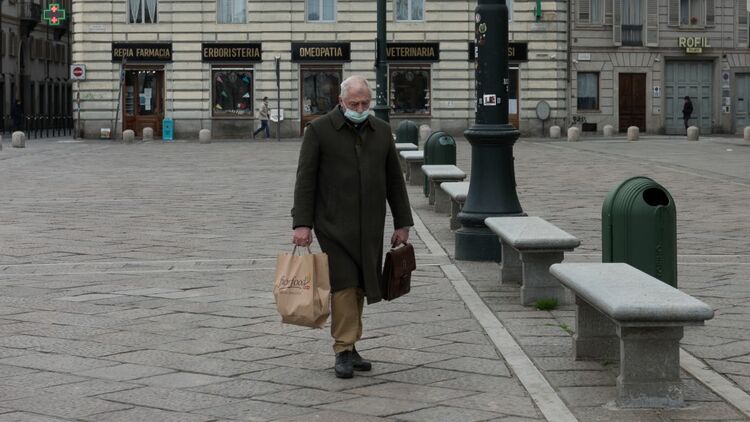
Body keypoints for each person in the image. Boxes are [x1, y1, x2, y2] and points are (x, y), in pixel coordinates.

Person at [291, 75, 413, 379]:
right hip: (333, 223)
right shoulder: (319, 131)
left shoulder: (381, 131)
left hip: (370, 224)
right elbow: (305, 180)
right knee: (344, 283)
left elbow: (395, 181)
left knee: (361, 282)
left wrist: (403, 222)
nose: (360, 109)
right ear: (341, 101)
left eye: (365, 103)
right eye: (354, 103)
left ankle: (352, 344)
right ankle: (343, 348)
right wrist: (302, 224)